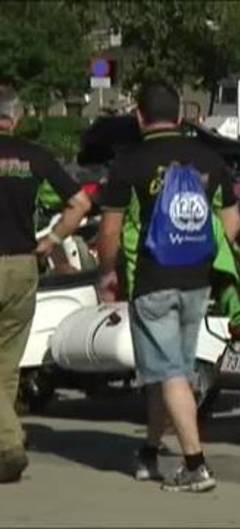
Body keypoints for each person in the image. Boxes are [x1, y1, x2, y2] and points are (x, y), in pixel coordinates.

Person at [96, 83, 240, 493]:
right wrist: (212, 260)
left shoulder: (129, 162)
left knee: (170, 370)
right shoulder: (209, 158)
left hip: (152, 279)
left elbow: (109, 231)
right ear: (180, 115)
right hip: (197, 281)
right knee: (167, 369)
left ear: (140, 117)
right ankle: (148, 452)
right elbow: (233, 221)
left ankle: (196, 464)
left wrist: (108, 273)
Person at [0, 85, 93, 483]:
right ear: (17, 117)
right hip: (23, 264)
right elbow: (81, 203)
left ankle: (10, 442)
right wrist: (53, 240)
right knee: (7, 364)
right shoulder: (34, 156)